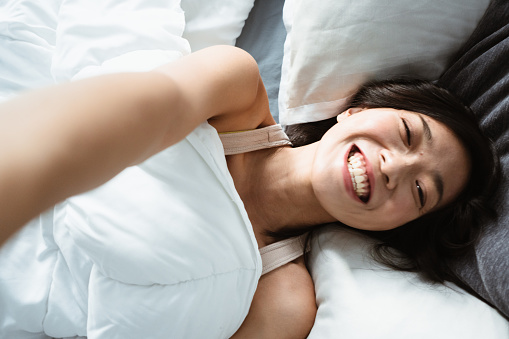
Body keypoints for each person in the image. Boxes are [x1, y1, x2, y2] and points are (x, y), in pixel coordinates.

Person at [0, 45, 499, 338]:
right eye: (409, 136)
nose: (396, 168)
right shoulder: (235, 90)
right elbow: (131, 115)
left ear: (398, 227)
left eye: (420, 192)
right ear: (358, 111)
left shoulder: (286, 301)